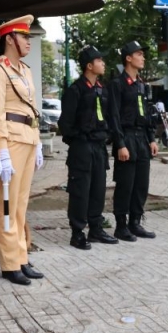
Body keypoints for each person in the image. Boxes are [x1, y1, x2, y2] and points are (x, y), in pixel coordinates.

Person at [0, 15, 44, 286]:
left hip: (29, 138)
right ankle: (10, 263)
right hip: (10, 141)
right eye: (24, 37)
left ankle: (21, 256)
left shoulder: (25, 70)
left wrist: (39, 141)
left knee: (21, 204)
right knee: (6, 205)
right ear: (9, 39)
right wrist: (1, 150)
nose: (28, 42)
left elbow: (31, 108)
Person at [58, 45, 118, 250]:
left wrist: (107, 136)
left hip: (99, 147)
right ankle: (77, 233)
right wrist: (79, 139)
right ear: (89, 66)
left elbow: (109, 116)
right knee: (80, 191)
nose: (103, 64)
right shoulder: (75, 90)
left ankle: (96, 228)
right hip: (82, 147)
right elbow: (65, 125)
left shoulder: (102, 89)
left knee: (98, 189)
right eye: (100, 60)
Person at [109, 40, 158, 241]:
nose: (142, 57)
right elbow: (113, 116)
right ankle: (121, 225)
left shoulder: (141, 85)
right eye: (139, 54)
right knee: (125, 184)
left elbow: (146, 113)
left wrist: (152, 138)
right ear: (128, 58)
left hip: (142, 139)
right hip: (126, 137)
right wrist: (119, 143)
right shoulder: (117, 84)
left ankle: (135, 222)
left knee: (141, 184)